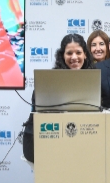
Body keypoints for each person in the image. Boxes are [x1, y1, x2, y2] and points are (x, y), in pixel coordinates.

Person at [23, 34, 96, 162]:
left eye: (78, 52)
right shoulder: (48, 82)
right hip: (43, 139)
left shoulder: (94, 80)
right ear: (62, 56)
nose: (74, 57)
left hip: (77, 140)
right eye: (69, 53)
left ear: (85, 54)